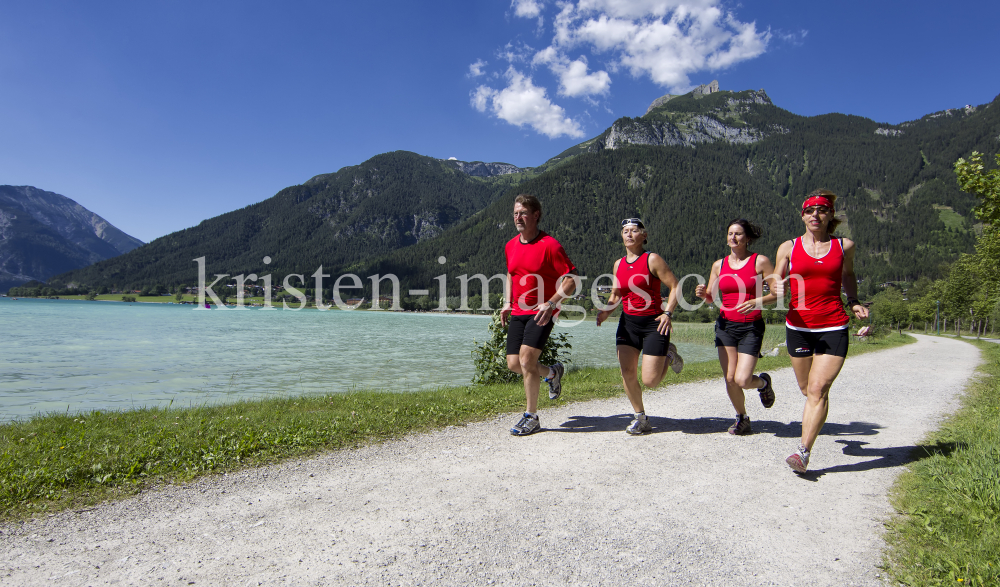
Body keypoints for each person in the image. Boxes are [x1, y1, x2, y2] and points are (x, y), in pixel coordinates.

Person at [774, 189, 869, 473]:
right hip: (798, 326)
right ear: (802, 216)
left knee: (818, 389)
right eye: (809, 211)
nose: (815, 215)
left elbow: (848, 275)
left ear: (830, 216)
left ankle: (803, 452)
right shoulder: (788, 247)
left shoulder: (844, 246)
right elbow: (776, 278)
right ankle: (817, 413)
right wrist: (775, 285)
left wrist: (853, 301)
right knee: (807, 389)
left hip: (833, 324)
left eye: (822, 210)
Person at [595, 218, 683, 435]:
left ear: (644, 236)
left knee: (650, 381)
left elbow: (675, 286)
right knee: (627, 372)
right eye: (625, 231)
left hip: (654, 323)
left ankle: (669, 355)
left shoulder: (651, 259)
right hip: (629, 324)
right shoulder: (618, 264)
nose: (629, 234)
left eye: (634, 231)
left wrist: (668, 313)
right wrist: (606, 312)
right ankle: (640, 417)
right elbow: (616, 293)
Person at [502, 194, 579, 436]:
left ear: (536, 215)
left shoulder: (550, 245)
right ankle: (554, 372)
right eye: (515, 213)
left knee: (526, 361)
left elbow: (572, 280)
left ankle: (531, 416)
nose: (518, 218)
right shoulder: (511, 245)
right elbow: (510, 274)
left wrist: (551, 303)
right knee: (514, 364)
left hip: (542, 312)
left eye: (523, 213)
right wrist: (507, 302)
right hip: (518, 310)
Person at [694, 219, 777, 436]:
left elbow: (778, 293)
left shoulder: (760, 262)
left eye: (738, 234)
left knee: (742, 379)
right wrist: (704, 295)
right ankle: (742, 417)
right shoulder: (718, 265)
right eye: (730, 233)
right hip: (725, 326)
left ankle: (763, 383)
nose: (733, 237)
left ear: (747, 238)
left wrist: (756, 302)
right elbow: (712, 299)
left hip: (751, 326)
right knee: (730, 378)